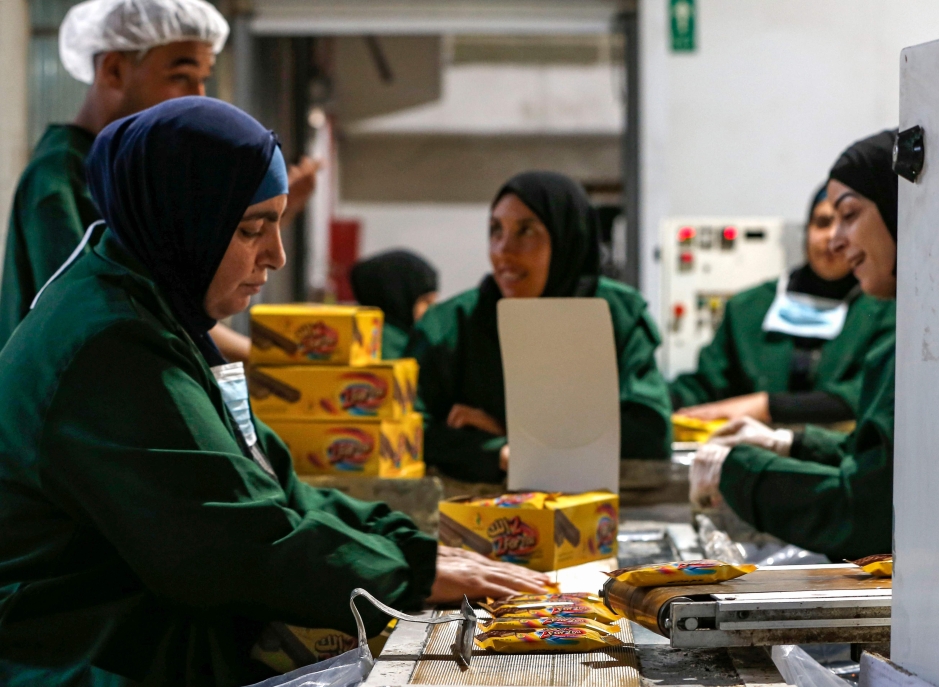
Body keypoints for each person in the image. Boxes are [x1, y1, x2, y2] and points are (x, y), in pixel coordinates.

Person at [0, 98, 547, 687]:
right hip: (83, 662)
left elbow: (272, 487)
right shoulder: (109, 347)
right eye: (249, 229)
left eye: (278, 224)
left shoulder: (157, 317)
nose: (275, 255)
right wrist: (407, 574)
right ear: (182, 219)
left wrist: (410, 547)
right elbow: (231, 544)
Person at [0, 0, 319, 360]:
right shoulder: (60, 180)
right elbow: (118, 306)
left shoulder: (138, 180)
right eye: (180, 76)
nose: (199, 96)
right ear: (115, 70)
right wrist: (267, 358)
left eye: (204, 79)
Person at [690, 130, 898, 561]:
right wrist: (790, 442)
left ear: (901, 207)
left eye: (849, 215)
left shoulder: (899, 328)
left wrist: (744, 469)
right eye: (823, 223)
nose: (835, 240)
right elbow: (877, 460)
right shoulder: (750, 306)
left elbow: (864, 507)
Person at [406, 171, 673, 486]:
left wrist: (513, 433)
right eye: (495, 230)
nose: (504, 250)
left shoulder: (618, 315)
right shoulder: (451, 325)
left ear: (567, 238)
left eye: (526, 231)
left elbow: (649, 434)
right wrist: (496, 452)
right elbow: (405, 430)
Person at [671, 187, 895, 425]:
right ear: (806, 231)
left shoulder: (884, 311)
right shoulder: (747, 308)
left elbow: (869, 393)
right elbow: (707, 385)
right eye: (822, 223)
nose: (832, 236)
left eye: (846, 224)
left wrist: (766, 407)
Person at [350, 250, 439, 359]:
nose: (433, 308)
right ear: (397, 299)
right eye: (425, 301)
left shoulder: (360, 333)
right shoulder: (389, 346)